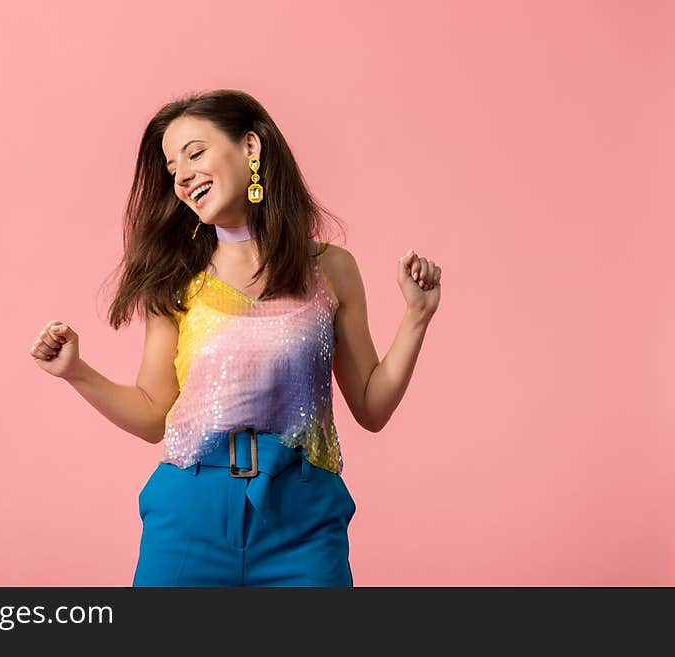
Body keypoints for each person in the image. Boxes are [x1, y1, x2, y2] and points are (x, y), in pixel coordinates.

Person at [29, 89, 442, 586]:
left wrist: (416, 318)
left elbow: (371, 408)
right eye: (171, 166)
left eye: (195, 153)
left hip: (303, 520)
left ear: (250, 147)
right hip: (188, 517)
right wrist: (77, 372)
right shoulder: (176, 279)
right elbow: (151, 414)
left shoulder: (330, 270)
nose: (181, 175)